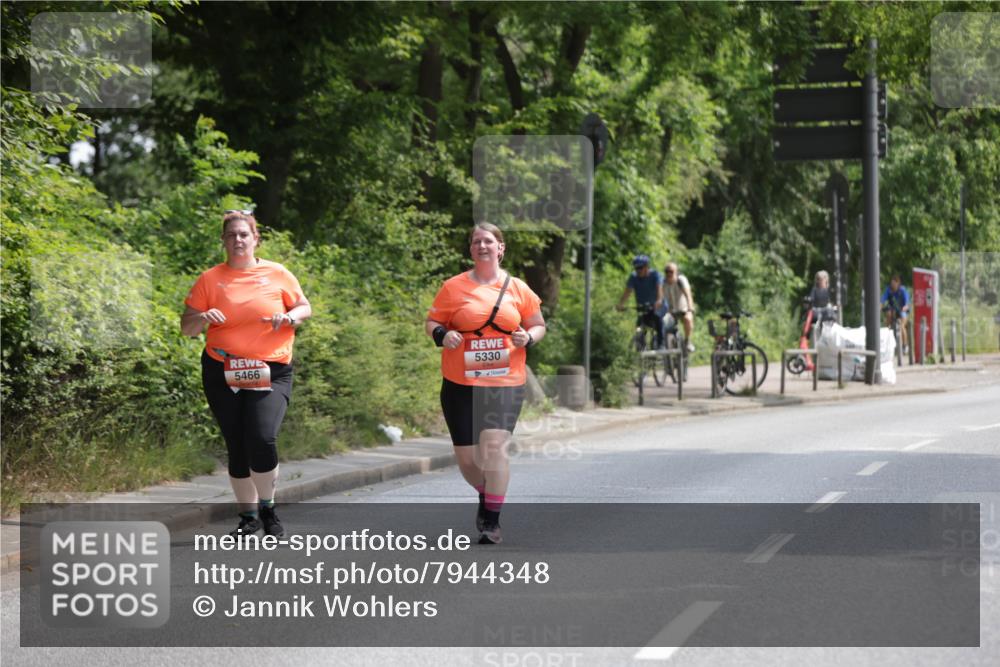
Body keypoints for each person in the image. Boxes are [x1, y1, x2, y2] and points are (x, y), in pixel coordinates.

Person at [180, 209, 312, 538]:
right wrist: (202, 317)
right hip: (222, 369)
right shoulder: (210, 279)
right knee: (237, 442)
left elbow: (304, 307)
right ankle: (248, 517)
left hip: (271, 368)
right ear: (223, 241)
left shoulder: (277, 273)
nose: (238, 240)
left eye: (244, 234)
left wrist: (289, 318)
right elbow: (187, 328)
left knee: (262, 436)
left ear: (255, 239)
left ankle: (268, 508)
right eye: (231, 235)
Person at [426, 222, 545, 545]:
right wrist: (443, 334)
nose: (482, 246)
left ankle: (491, 521)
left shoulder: (518, 288)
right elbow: (432, 321)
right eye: (476, 241)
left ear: (500, 248)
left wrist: (527, 337)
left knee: (494, 447)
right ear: (471, 249)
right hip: (460, 381)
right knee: (467, 460)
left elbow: (538, 324)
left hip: (504, 381)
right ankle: (487, 493)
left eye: (488, 241)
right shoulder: (453, 287)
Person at [615, 254, 665, 349]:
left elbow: (659, 288)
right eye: (636, 268)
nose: (638, 270)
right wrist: (621, 304)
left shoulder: (655, 275)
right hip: (643, 307)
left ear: (646, 267)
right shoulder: (634, 277)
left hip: (657, 305)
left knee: (658, 318)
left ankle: (661, 344)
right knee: (640, 325)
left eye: (640, 268)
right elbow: (627, 292)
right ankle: (641, 347)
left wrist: (659, 300)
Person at [663, 262, 696, 352]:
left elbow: (688, 295)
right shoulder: (662, 282)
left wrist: (690, 309)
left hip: (683, 309)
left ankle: (687, 340)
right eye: (666, 271)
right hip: (670, 311)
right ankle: (663, 343)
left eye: (671, 271)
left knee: (688, 319)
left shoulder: (681, 280)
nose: (669, 274)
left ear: (676, 272)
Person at [881, 273, 910, 353]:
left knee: (902, 326)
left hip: (902, 310)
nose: (892, 285)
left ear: (898, 283)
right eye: (891, 283)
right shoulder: (889, 290)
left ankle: (905, 345)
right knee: (888, 314)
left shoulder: (902, 290)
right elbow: (882, 300)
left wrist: (904, 308)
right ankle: (887, 333)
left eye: (894, 284)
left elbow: (907, 303)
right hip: (893, 311)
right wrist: (879, 307)